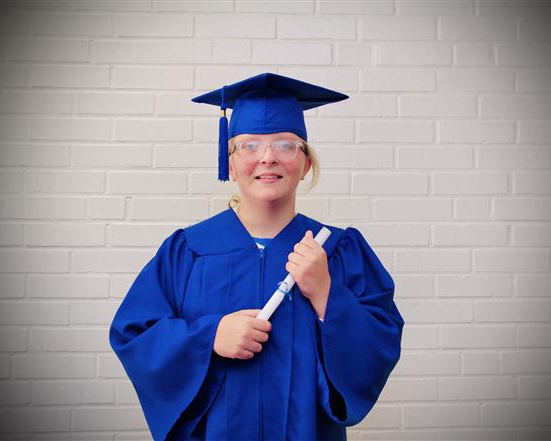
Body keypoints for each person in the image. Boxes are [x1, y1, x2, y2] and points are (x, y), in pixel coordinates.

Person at [109, 72, 404, 441]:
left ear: (306, 164)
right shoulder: (187, 250)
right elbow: (135, 334)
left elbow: (381, 341)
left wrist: (327, 294)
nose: (267, 158)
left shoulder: (339, 252)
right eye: (248, 146)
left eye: (285, 144)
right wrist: (209, 336)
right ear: (229, 163)